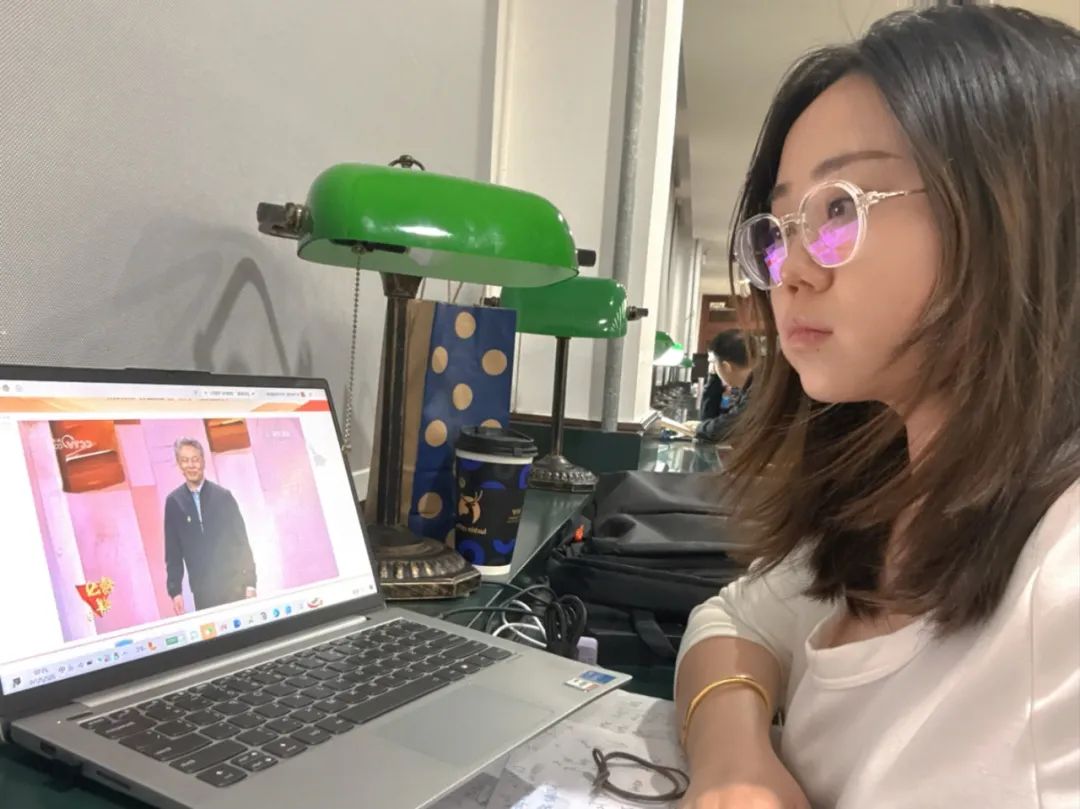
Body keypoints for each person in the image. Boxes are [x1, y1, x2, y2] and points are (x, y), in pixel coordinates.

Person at [675, 7, 1079, 809]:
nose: (790, 270)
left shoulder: (1061, 566)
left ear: (1016, 209)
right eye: (781, 225)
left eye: (838, 207)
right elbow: (734, 622)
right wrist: (736, 761)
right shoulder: (894, 501)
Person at [164, 437, 257, 613]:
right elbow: (173, 551)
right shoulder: (174, 503)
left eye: (195, 459)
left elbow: (241, 543)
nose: (191, 465)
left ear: (203, 461)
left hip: (234, 587)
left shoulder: (223, 497)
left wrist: (250, 583)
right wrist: (175, 591)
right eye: (185, 460)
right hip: (203, 593)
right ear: (179, 465)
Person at [696, 330, 753, 443]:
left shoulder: (758, 390)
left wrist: (698, 428)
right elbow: (711, 421)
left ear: (726, 366)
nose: (712, 368)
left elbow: (723, 430)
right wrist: (714, 376)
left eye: (713, 363)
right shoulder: (753, 384)